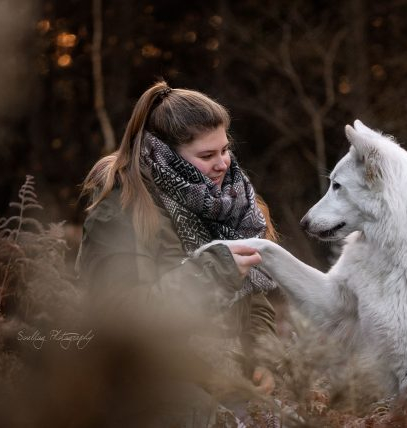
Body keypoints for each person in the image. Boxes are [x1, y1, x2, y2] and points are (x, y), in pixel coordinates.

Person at [76, 80, 278, 422]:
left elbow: (254, 298)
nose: (223, 164)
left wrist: (264, 357)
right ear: (166, 154)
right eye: (207, 155)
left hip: (227, 384)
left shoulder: (228, 203)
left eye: (225, 149)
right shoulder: (120, 211)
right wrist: (210, 272)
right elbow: (119, 321)